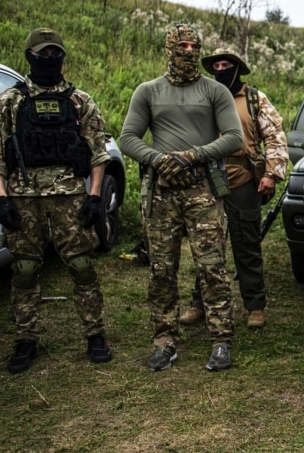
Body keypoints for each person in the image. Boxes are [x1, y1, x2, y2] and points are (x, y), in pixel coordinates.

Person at [0, 28, 114, 373]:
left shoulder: (79, 100)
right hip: (23, 197)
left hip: (70, 195)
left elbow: (98, 152)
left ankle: (95, 334)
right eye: (44, 53)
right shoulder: (9, 101)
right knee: (25, 269)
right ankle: (26, 338)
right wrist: (2, 200)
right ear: (30, 56)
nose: (50, 58)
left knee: (82, 266)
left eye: (56, 52)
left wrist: (95, 197)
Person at [119, 24, 244, 372]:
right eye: (182, 45)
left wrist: (192, 155)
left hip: (202, 191)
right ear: (169, 48)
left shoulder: (214, 91)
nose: (189, 51)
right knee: (162, 269)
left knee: (212, 267)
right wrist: (157, 159)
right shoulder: (148, 91)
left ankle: (221, 339)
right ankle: (164, 338)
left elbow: (234, 138)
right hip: (161, 192)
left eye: (194, 45)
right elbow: (128, 137)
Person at [179, 48, 289, 330]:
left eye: (227, 64)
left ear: (237, 68)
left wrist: (271, 175)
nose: (221, 68)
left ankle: (254, 306)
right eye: (216, 65)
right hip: (205, 179)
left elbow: (275, 137)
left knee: (246, 244)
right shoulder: (202, 96)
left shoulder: (254, 99)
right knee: (206, 244)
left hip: (241, 178)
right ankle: (198, 302)